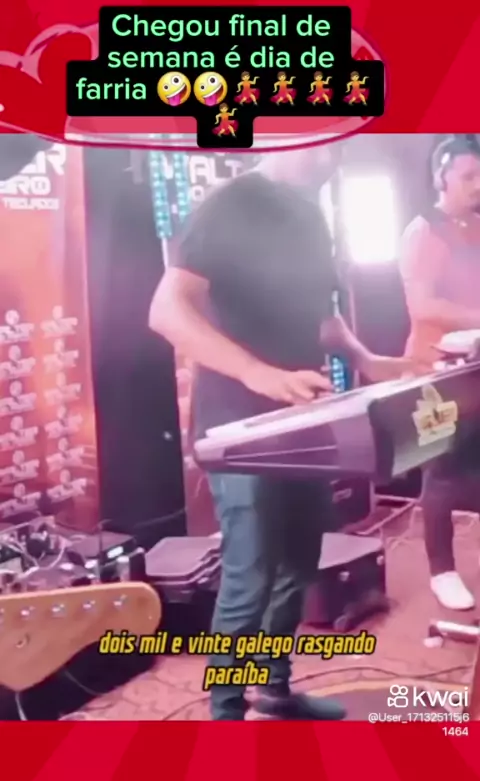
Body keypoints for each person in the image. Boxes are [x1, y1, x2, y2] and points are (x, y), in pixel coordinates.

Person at [149, 147, 411, 721]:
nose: (336, 152)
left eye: (342, 142)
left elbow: (323, 317)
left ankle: (274, 690)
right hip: (240, 429)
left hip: (304, 425)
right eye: (326, 140)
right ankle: (225, 712)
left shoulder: (312, 212)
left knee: (298, 563)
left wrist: (367, 359)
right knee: (251, 574)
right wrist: (256, 373)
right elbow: (166, 311)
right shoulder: (230, 204)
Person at [400, 136, 480, 611]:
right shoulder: (423, 231)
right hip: (433, 371)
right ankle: (441, 571)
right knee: (441, 473)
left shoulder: (477, 226)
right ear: (440, 178)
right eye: (468, 177)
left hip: (475, 364)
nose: (478, 185)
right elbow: (422, 305)